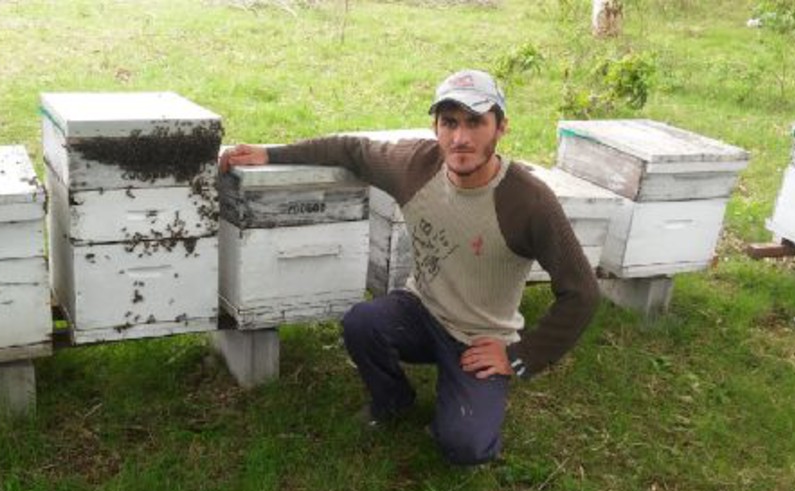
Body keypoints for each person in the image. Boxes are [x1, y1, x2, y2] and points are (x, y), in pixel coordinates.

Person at [220, 69, 600, 466]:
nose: (461, 138)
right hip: (422, 310)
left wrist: (521, 355)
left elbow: (582, 292)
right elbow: (351, 150)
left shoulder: (528, 200)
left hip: (480, 338)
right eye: (450, 122)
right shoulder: (416, 165)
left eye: (476, 122)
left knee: (466, 448)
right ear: (435, 126)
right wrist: (272, 154)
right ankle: (394, 400)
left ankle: (462, 408)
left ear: (501, 127)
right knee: (361, 323)